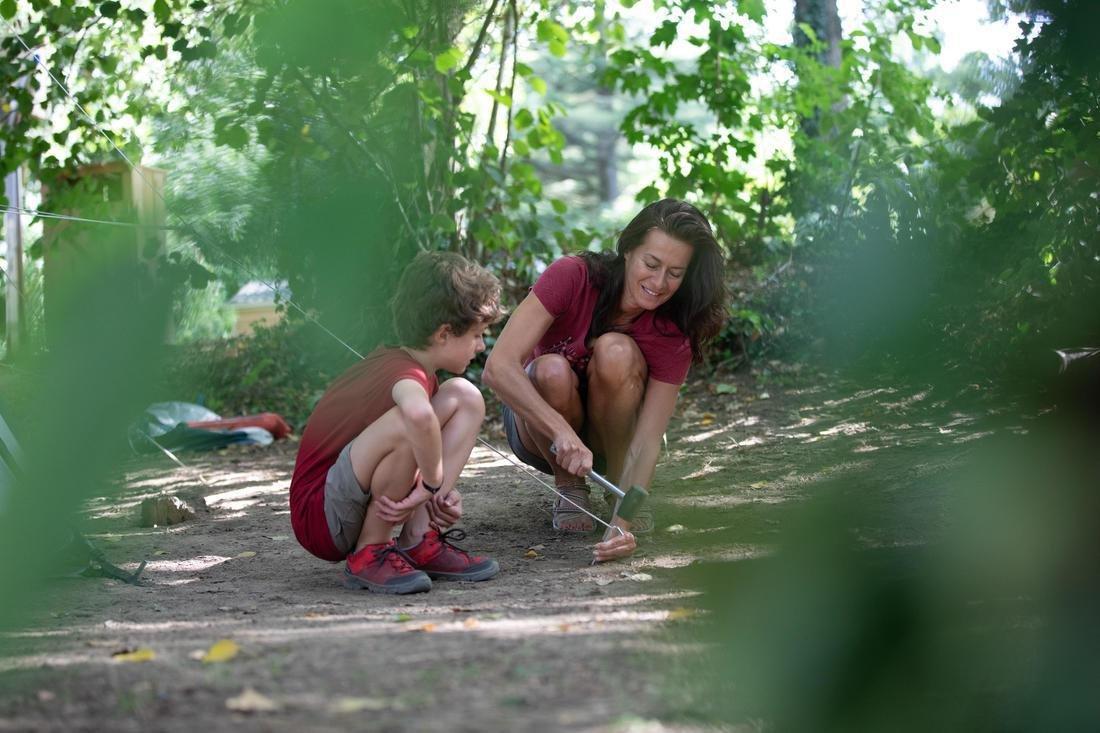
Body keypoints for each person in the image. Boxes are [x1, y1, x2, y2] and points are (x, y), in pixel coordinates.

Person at [483, 198, 726, 562]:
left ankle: (616, 486)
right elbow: (498, 367)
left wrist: (622, 522)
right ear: (628, 250)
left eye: (675, 273)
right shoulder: (572, 275)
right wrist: (561, 432)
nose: (659, 283)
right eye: (651, 264)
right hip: (537, 432)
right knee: (549, 368)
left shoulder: (673, 330)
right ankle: (569, 486)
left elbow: (646, 438)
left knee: (616, 351)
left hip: (614, 438)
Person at [290, 251, 504, 594]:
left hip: (355, 494)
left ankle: (419, 538)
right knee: (410, 421)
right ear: (444, 333)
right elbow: (417, 418)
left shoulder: (421, 373)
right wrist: (432, 483)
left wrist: (437, 495)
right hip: (321, 516)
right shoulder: (404, 374)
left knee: (465, 395)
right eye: (477, 334)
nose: (480, 346)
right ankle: (369, 551)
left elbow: (413, 444)